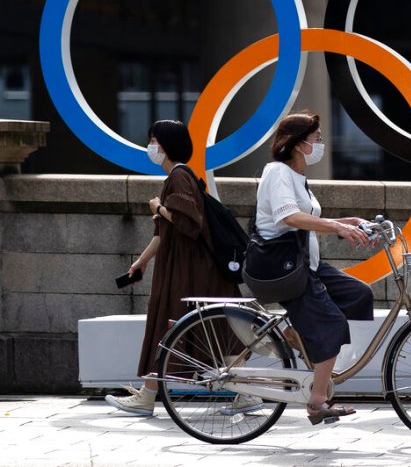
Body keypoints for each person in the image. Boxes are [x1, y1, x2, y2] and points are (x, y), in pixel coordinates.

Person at [105, 120, 246, 416]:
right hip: (191, 267)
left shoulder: (179, 177)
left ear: (166, 145)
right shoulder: (180, 176)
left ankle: (148, 395)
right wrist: (141, 262)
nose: (151, 147)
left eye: (153, 140)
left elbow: (187, 222)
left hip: (189, 270)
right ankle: (243, 393)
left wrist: (158, 208)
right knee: (215, 329)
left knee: (168, 325)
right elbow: (163, 233)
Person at [255, 111, 374, 425]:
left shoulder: (296, 175)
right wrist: (336, 225)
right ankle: (317, 401)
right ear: (297, 143)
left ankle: (307, 338)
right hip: (284, 268)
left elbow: (308, 219)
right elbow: (288, 217)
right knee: (332, 325)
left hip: (308, 263)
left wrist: (349, 222)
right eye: (316, 138)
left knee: (359, 293)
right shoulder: (277, 172)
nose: (320, 143)